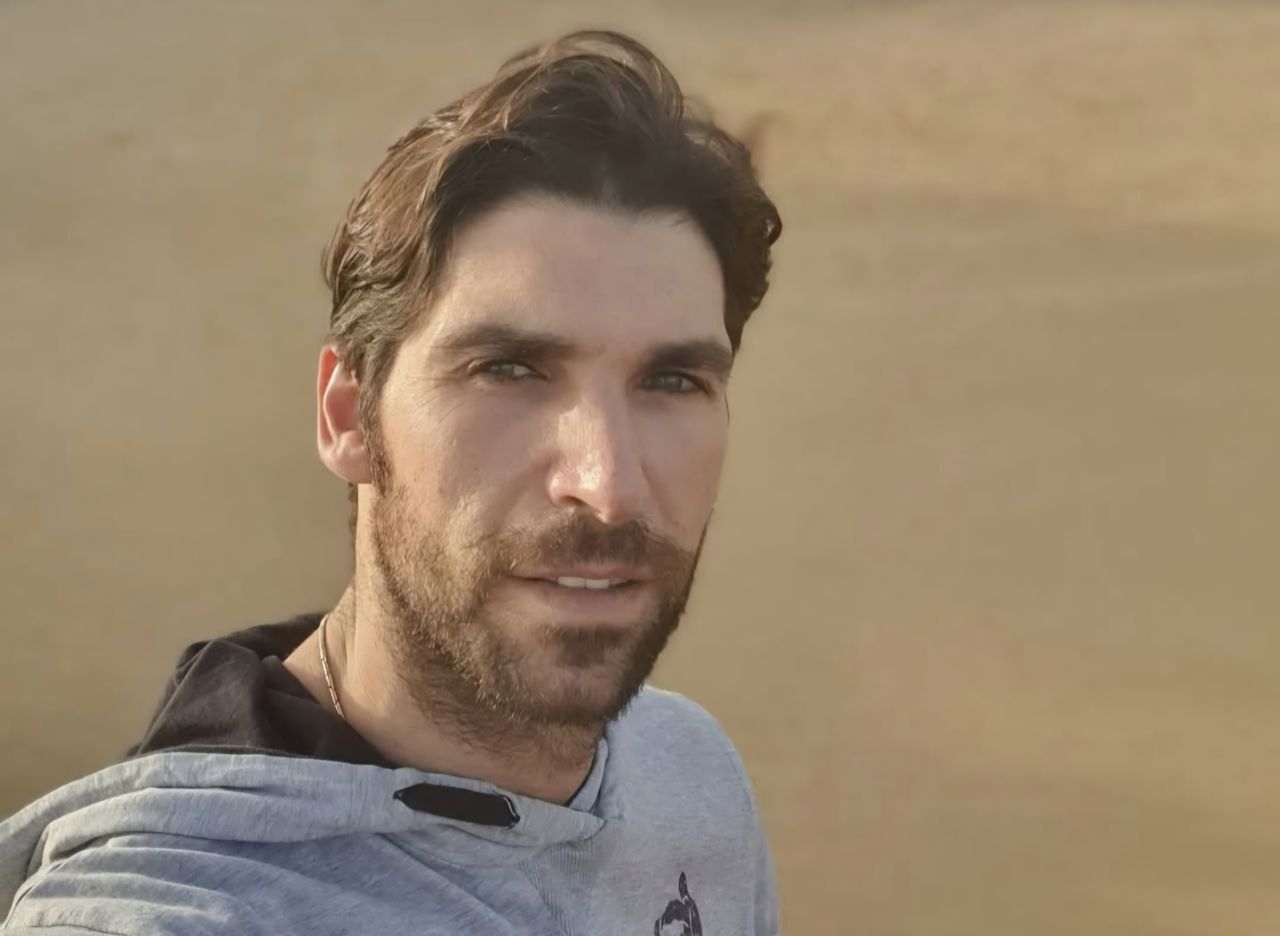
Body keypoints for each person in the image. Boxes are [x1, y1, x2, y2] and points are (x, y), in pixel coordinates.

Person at [0, 29, 782, 935]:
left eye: (673, 381)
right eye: (508, 370)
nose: (608, 487)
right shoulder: (174, 905)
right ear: (347, 415)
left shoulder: (689, 770)